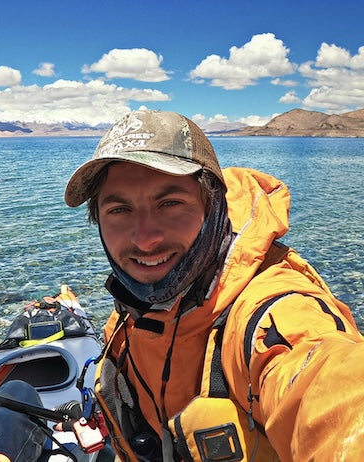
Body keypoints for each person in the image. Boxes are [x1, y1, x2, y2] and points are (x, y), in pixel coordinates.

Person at [64, 109, 364, 461]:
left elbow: (330, 389)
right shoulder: (129, 312)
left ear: (215, 206)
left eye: (170, 203)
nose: (144, 239)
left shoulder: (270, 315)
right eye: (119, 210)